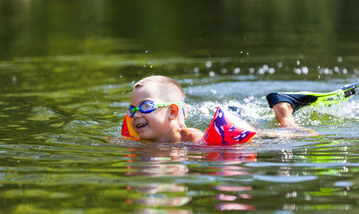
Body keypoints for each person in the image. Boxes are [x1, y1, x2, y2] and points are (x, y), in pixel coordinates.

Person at [126, 75, 315, 143]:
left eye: (146, 106)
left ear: (173, 112)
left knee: (277, 134)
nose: (136, 115)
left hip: (230, 129)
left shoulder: (193, 138)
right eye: (132, 109)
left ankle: (283, 108)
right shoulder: (141, 140)